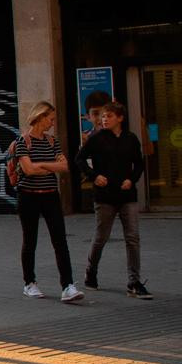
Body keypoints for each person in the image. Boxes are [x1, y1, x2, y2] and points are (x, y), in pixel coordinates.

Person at [75, 101, 151, 299]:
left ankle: (134, 282)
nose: (104, 119)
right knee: (101, 237)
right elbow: (79, 159)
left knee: (133, 238)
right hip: (105, 196)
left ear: (120, 118)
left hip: (127, 195)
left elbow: (139, 165)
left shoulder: (131, 139)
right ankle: (91, 271)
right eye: (102, 116)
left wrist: (131, 179)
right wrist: (94, 176)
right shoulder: (96, 138)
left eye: (109, 116)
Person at [15, 101, 84, 303]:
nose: (52, 123)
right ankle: (29, 283)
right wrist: (50, 166)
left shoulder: (53, 141)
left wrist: (42, 165)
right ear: (40, 117)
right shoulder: (23, 142)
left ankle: (68, 285)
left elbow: (64, 166)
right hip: (28, 196)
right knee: (30, 240)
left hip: (50, 195)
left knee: (60, 240)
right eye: (50, 119)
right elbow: (28, 170)